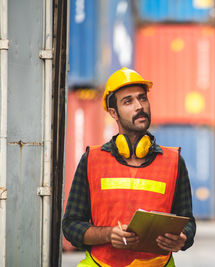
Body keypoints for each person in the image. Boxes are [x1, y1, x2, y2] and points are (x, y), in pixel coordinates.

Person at [62, 67, 196, 267]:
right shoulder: (92, 160)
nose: (139, 106)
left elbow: (188, 222)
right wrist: (109, 235)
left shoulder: (174, 162)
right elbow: (71, 226)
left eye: (142, 98)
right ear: (113, 113)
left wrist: (182, 238)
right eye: (128, 101)